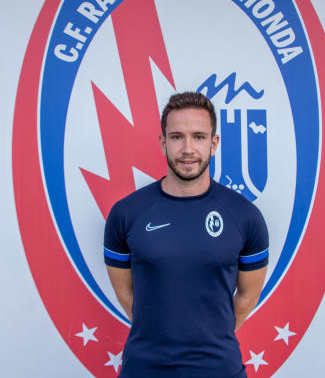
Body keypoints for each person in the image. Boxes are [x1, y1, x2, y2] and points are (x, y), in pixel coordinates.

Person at [104, 92, 269, 377]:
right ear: (163, 142)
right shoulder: (126, 214)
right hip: (145, 369)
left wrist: (210, 337)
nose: (188, 148)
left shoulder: (245, 217)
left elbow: (246, 297)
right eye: (177, 136)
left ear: (214, 144)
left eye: (199, 137)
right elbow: (126, 293)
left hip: (219, 369)